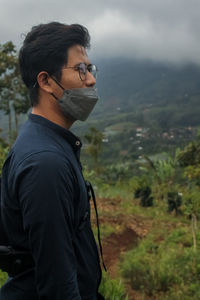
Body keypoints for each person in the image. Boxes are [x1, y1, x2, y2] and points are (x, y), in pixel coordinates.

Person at [0, 22, 105, 300]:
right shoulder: (46, 164)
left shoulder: (48, 144)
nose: (91, 80)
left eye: (90, 69)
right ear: (46, 81)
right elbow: (57, 283)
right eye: (81, 70)